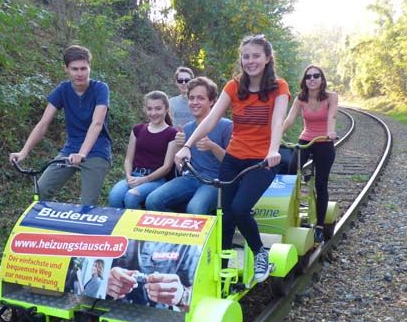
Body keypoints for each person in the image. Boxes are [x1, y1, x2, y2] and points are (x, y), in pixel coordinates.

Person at [175, 35, 289, 284]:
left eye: (256, 56)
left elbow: (278, 121)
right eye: (246, 56)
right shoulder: (234, 86)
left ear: (267, 58)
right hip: (233, 159)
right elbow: (211, 119)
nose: (250, 61)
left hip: (262, 161)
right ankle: (221, 275)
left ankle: (260, 253)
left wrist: (273, 150)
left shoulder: (278, 87)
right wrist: (186, 146)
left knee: (240, 209)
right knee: (225, 217)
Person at [9, 45, 112, 206]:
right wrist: (24, 151)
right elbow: (43, 123)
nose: (79, 73)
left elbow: (97, 123)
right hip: (71, 148)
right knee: (41, 191)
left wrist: (82, 154)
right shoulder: (63, 90)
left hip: (96, 149)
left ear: (89, 68)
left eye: (83, 68)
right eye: (74, 69)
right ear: (66, 69)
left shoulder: (100, 88)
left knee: (87, 203)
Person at [145, 77, 232, 215]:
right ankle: (177, 228)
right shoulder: (187, 128)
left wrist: (213, 147)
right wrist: (179, 145)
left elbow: (232, 164)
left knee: (195, 208)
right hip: (190, 178)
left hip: (215, 182)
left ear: (211, 101)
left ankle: (211, 225)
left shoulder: (226, 126)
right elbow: (181, 165)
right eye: (191, 98)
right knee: (153, 200)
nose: (194, 102)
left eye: (200, 98)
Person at [282, 64, 338, 244]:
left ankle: (319, 226)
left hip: (324, 141)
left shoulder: (331, 97)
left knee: (321, 184)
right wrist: (276, 135)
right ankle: (288, 214)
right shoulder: (300, 98)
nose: (312, 79)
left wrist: (331, 132)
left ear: (322, 79)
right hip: (306, 139)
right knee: (291, 171)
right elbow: (289, 120)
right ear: (304, 80)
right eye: (308, 76)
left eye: (316, 76)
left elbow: (332, 117)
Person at [107, 91, 178, 209]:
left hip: (156, 179)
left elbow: (167, 167)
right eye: (150, 109)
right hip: (134, 175)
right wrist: (129, 176)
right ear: (145, 109)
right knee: (114, 197)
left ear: (166, 109)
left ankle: (139, 221)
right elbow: (128, 159)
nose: (153, 113)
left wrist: (144, 180)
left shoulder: (172, 133)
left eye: (158, 109)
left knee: (131, 197)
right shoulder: (137, 130)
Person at [105, 240, 200, 311]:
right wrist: (103, 280)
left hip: (162, 320)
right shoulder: (110, 231)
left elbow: (202, 300)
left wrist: (183, 296)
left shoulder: (188, 243)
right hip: (112, 313)